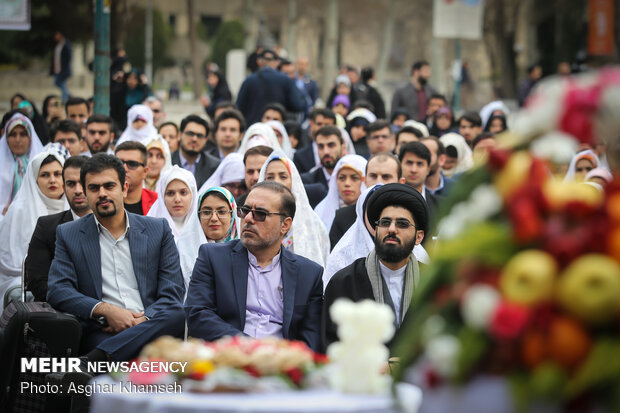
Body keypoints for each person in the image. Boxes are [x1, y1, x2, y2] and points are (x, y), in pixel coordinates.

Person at [46, 154, 185, 362]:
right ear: (85, 192)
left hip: (151, 326)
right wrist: (105, 310)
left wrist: (142, 321)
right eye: (94, 188)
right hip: (102, 330)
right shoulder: (69, 233)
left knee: (178, 314)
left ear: (125, 188)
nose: (102, 194)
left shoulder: (158, 230)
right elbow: (58, 290)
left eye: (109, 186)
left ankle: (90, 363)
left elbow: (172, 290)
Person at [185, 181, 323, 351]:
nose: (248, 218)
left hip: (280, 366)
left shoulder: (309, 274)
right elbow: (197, 315)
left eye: (260, 213)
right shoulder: (213, 257)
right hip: (226, 358)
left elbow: (311, 338)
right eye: (245, 210)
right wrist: (251, 347)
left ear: (285, 225)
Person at [322, 183, 429, 350]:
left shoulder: (431, 282)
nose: (392, 229)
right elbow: (332, 345)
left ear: (418, 237)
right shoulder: (344, 282)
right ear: (376, 230)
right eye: (385, 222)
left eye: (402, 224)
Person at [0, 144, 69, 308]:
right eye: (45, 175)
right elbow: (8, 262)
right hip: (21, 281)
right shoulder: (19, 211)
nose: (52, 180)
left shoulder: (72, 208)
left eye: (57, 174)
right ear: (34, 179)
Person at [26, 156, 91, 301]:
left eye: (83, 183)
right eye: (71, 184)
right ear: (63, 186)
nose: (78, 190)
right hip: (63, 313)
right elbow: (39, 283)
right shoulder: (47, 226)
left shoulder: (111, 224)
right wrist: (91, 308)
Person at [258, 151, 330, 266]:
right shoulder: (253, 219)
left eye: (283, 176)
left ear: (293, 181)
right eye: (270, 177)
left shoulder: (313, 224)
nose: (277, 182)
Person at [329, 153, 404, 250]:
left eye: (386, 177)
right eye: (373, 176)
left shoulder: (410, 217)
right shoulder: (343, 217)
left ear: (400, 183)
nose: (378, 182)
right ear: (364, 181)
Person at [177, 187, 240, 287]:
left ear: (232, 214)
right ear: (198, 216)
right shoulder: (182, 249)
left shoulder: (246, 249)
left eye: (222, 212)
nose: (214, 218)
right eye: (206, 212)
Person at [236, 49, 306, 125]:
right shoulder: (285, 80)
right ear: (277, 63)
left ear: (259, 61)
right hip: (276, 127)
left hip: (254, 128)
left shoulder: (249, 80)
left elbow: (239, 106)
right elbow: (298, 105)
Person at [0, 113, 44, 216]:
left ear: (30, 138)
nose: (18, 140)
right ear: (6, 138)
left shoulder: (40, 163)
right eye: (13, 134)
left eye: (23, 134)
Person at [315, 154, 367, 232]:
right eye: (342, 178)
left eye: (354, 178)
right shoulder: (320, 212)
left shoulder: (370, 213)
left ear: (364, 181)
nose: (347, 183)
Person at [146, 166, 197, 242]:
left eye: (183, 193)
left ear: (193, 195)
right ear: (162, 197)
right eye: (170, 193)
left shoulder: (203, 227)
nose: (177, 199)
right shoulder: (149, 228)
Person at [171, 115, 221, 189]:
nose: (194, 139)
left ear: (206, 140)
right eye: (190, 134)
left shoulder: (215, 166)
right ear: (179, 135)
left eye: (200, 136)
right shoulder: (168, 161)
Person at [114, 141, 158, 215]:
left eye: (132, 164)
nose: (124, 169)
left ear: (145, 172)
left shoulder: (157, 202)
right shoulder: (105, 200)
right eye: (119, 163)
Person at [399, 141, 440, 217]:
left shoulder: (440, 206)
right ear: (400, 165)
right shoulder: (387, 201)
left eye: (420, 164)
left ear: (428, 169)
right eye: (409, 163)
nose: (414, 170)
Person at [301, 125, 346, 192]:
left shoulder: (354, 180)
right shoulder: (307, 182)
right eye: (321, 146)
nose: (326, 152)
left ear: (343, 148)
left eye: (331, 145)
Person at [293, 108, 337, 173]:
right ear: (311, 124)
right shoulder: (300, 156)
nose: (323, 128)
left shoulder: (343, 154)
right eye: (319, 124)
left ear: (335, 126)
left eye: (327, 125)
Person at [51, 31, 72, 103]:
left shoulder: (66, 45)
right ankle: (67, 95)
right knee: (58, 83)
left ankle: (64, 98)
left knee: (61, 83)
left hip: (63, 70)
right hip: (57, 69)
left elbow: (68, 57)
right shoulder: (58, 45)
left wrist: (64, 68)